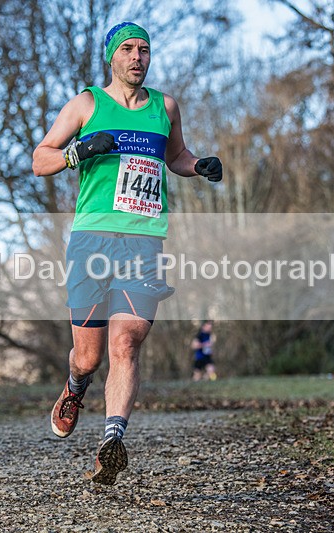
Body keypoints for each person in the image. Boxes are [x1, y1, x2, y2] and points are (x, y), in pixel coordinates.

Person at [32, 22, 222, 485]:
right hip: (92, 239)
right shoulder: (87, 104)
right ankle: (76, 387)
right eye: (128, 50)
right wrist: (78, 151)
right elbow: (41, 160)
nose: (138, 57)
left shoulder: (166, 107)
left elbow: (175, 155)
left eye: (144, 50)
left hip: (143, 239)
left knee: (128, 339)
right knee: (89, 356)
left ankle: (111, 442)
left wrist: (197, 166)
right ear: (111, 58)